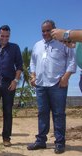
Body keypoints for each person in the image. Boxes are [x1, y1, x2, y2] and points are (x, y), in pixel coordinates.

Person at [28, 20, 76, 154]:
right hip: (41, 85)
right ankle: (41, 141)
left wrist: (66, 78)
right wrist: (33, 76)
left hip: (57, 85)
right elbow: (32, 62)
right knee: (42, 114)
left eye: (48, 30)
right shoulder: (37, 45)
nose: (45, 33)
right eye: (43, 31)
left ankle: (60, 143)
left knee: (59, 114)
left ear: (54, 30)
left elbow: (72, 60)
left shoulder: (64, 43)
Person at [0, 25, 23, 147]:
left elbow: (19, 66)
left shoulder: (15, 48)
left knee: (7, 112)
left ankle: (6, 138)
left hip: (9, 85)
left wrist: (15, 81)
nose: (4, 38)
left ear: (9, 36)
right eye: (2, 36)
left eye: (7, 36)